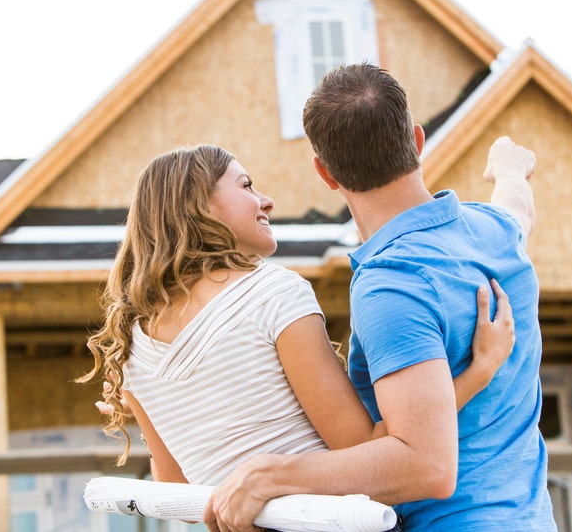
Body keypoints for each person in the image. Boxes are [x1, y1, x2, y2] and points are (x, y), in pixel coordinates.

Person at [204, 64, 555, 531]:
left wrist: (272, 474)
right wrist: (509, 169)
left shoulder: (391, 285)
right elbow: (517, 206)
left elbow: (427, 465)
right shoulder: (493, 232)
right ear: (415, 139)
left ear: (325, 173)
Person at [77, 144, 516, 494]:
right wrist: (480, 370)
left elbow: (175, 488)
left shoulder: (132, 343)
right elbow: (368, 450)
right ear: (201, 207)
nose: (265, 199)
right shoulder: (272, 293)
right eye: (246, 185)